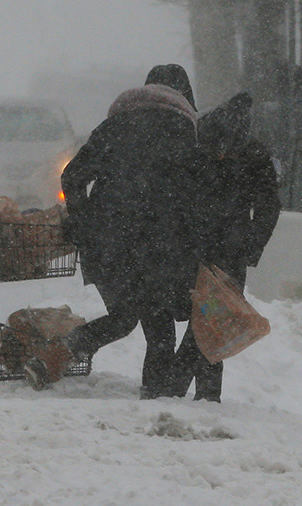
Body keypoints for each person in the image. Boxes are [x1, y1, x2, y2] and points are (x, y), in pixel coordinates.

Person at [25, 68, 202, 399]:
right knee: (158, 326)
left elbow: (73, 176)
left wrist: (83, 221)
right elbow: (197, 195)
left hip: (107, 242)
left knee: (123, 316)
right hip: (158, 244)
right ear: (184, 96)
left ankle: (56, 356)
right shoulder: (184, 133)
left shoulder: (114, 127)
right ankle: (156, 395)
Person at [169, 91, 281, 402]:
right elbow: (269, 205)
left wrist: (179, 235)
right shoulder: (253, 153)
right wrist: (251, 245)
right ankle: (186, 389)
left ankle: (197, 392)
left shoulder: (195, 147)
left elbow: (177, 197)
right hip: (229, 253)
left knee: (207, 317)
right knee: (214, 318)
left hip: (193, 249)